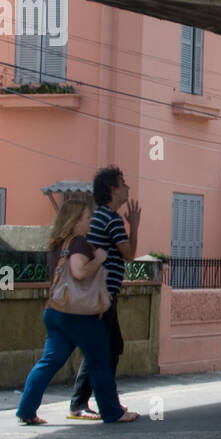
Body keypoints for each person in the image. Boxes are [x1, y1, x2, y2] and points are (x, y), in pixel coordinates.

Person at [16, 196, 138, 424]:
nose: (91, 220)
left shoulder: (57, 244)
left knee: (49, 361)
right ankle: (113, 412)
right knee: (100, 360)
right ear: (74, 220)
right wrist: (99, 259)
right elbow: (79, 272)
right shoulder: (78, 242)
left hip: (56, 311)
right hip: (80, 315)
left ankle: (26, 410)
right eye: (86, 216)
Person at [68, 167, 141, 420]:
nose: (127, 187)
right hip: (104, 296)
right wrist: (135, 226)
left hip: (99, 294)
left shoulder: (100, 216)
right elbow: (129, 254)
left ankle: (83, 402)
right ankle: (102, 404)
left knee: (102, 348)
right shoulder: (111, 219)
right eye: (123, 183)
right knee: (109, 348)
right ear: (112, 189)